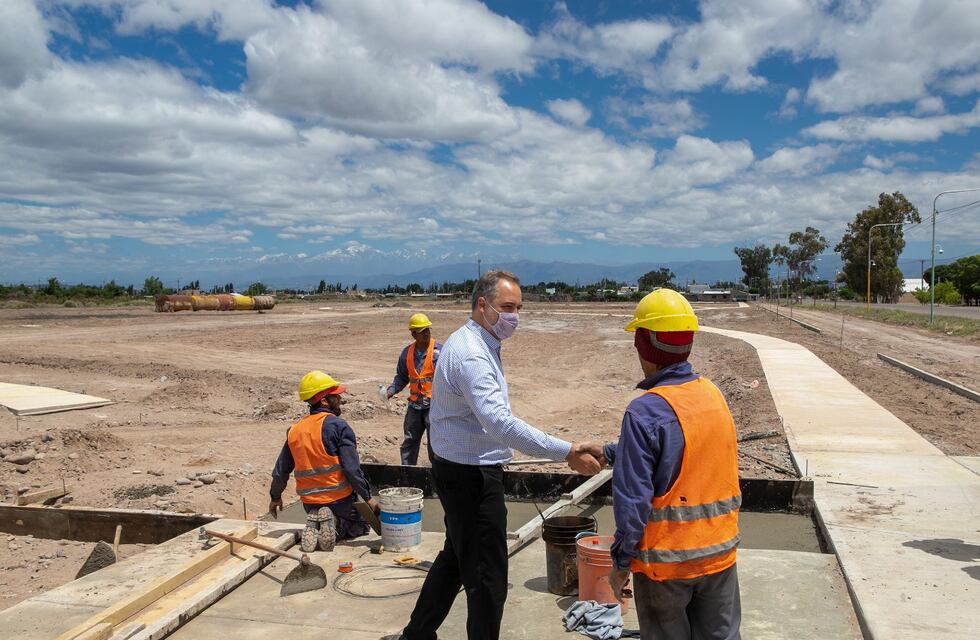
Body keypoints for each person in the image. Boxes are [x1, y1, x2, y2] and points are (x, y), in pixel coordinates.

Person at [398, 269, 602, 640]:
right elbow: (500, 425)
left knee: (456, 557)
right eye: (507, 307)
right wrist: (567, 452)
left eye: (518, 308)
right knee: (488, 579)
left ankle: (416, 634)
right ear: (482, 305)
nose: (514, 316)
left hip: (456, 467)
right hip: (470, 477)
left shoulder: (476, 342)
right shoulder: (471, 355)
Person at [589, 289, 742, 640]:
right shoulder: (712, 394)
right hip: (718, 554)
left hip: (666, 567)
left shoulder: (644, 411)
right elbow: (684, 447)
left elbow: (633, 503)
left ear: (642, 344)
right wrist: (612, 451)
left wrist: (621, 563)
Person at [268, 370, 380, 553]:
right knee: (361, 526)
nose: (340, 399)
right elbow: (351, 469)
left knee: (320, 512)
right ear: (324, 401)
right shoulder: (339, 426)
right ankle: (336, 524)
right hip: (340, 501)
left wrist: (275, 497)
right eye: (335, 396)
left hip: (309, 503)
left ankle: (318, 523)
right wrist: (369, 499)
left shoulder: (295, 430)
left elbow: (281, 470)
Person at [386, 313, 442, 465]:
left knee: (435, 444)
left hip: (435, 406)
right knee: (410, 441)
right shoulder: (407, 353)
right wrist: (391, 391)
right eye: (422, 331)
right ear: (413, 334)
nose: (426, 333)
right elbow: (401, 377)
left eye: (427, 329)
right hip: (415, 406)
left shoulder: (440, 352)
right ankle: (408, 472)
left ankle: (437, 474)